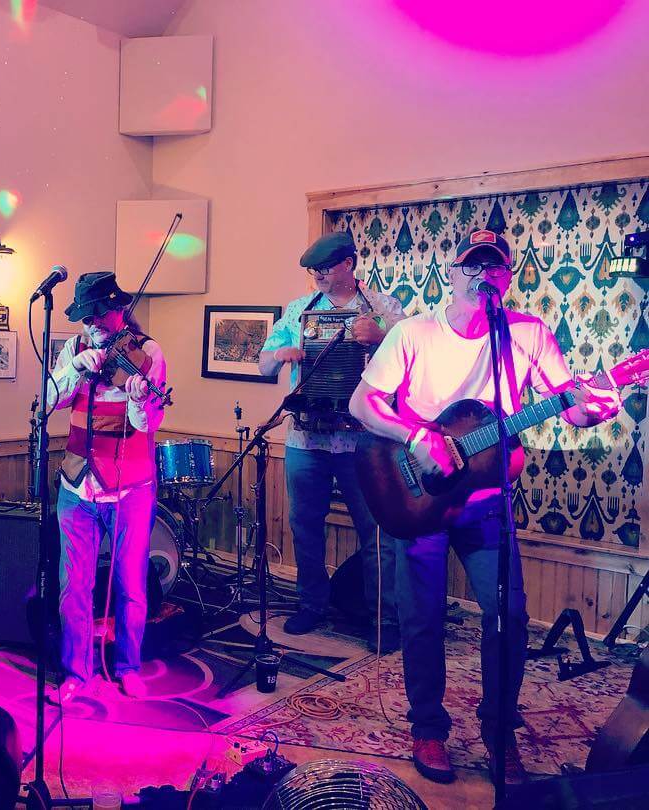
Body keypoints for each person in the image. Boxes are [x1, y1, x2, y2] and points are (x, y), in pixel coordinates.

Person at [349, 228, 621, 785]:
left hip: (487, 503)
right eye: (472, 266)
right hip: (418, 496)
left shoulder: (527, 334)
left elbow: (570, 406)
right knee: (421, 618)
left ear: (507, 277)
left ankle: (500, 731)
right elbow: (363, 402)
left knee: (509, 617)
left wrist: (596, 405)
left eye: (494, 267)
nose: (482, 276)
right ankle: (428, 727)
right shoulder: (413, 333)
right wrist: (416, 437)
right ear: (452, 274)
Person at [258, 232, 404, 651]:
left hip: (363, 440)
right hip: (307, 438)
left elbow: (413, 362)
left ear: (348, 264)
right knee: (305, 527)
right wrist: (280, 356)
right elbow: (263, 364)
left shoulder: (385, 309)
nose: (318, 275)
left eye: (325, 267)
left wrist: (380, 336)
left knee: (376, 531)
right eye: (313, 270)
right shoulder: (298, 311)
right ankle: (311, 605)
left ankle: (384, 619)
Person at [46, 271, 166, 704]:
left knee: (131, 584)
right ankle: (76, 673)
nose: (93, 324)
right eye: (86, 317)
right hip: (77, 485)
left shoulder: (148, 353)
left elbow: (147, 424)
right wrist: (74, 370)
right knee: (73, 586)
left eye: (99, 314)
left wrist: (138, 398)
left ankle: (128, 667)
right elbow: (49, 400)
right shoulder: (74, 348)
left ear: (119, 310)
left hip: (130, 487)